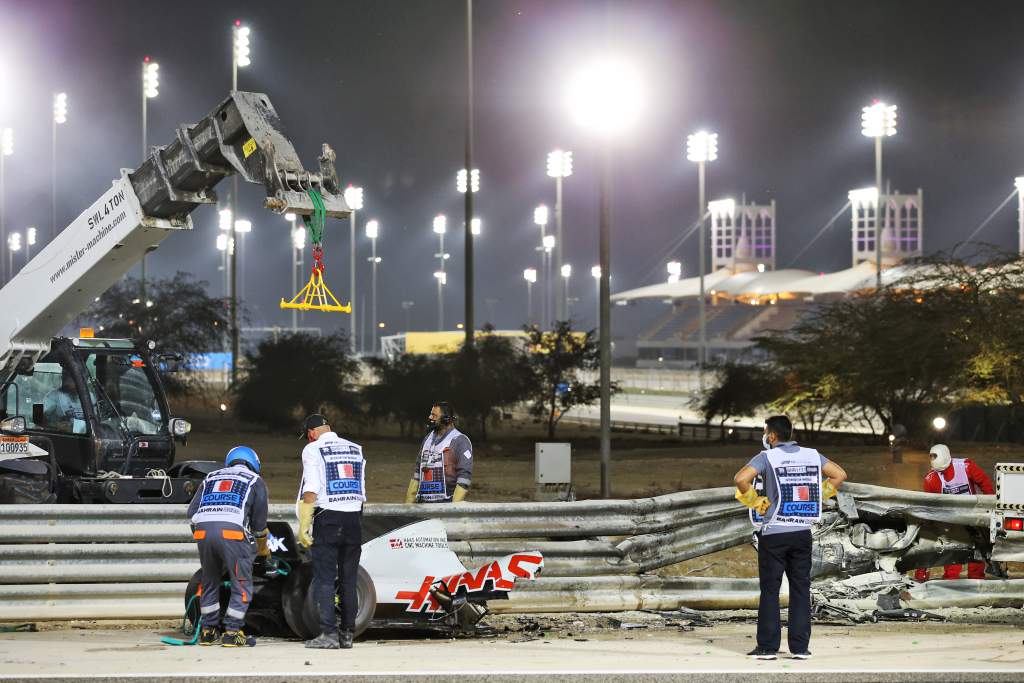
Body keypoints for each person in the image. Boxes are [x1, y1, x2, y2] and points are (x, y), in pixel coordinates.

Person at [733, 415, 847, 661]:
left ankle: (767, 647)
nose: (764, 436)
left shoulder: (767, 457)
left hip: (774, 533)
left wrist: (756, 502)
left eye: (765, 432)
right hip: (802, 533)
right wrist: (817, 496)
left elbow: (741, 479)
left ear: (772, 436)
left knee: (770, 590)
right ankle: (800, 648)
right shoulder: (812, 455)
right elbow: (839, 475)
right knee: (800, 589)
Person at [186, 446, 270, 647]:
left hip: (202, 532)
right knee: (241, 583)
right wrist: (262, 551)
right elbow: (259, 527)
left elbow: (191, 513)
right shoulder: (255, 480)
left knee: (210, 580)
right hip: (232, 534)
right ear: (254, 464)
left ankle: (208, 631)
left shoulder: (210, 477)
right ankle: (232, 632)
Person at [297, 414, 366, 650]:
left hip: (328, 518)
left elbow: (311, 488)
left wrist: (304, 524)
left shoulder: (312, 449)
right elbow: (361, 490)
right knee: (349, 579)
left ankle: (328, 634)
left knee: (325, 579)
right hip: (354, 519)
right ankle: (347, 635)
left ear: (311, 433)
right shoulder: (355, 448)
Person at [914, 444, 994, 582]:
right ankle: (950, 582)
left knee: (977, 551)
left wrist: (991, 505)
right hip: (950, 521)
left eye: (935, 456)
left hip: (972, 517)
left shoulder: (966, 466)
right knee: (953, 552)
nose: (932, 459)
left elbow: (984, 483)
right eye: (931, 457)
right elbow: (931, 505)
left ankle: (976, 582)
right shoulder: (931, 479)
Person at [404, 401, 472, 504]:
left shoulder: (460, 441)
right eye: (431, 414)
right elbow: (417, 472)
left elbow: (464, 477)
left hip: (446, 504)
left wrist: (454, 507)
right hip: (423, 504)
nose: (430, 417)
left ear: (446, 419)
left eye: (434, 415)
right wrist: (408, 503)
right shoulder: (427, 439)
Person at [42, 368, 86, 433]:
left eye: (71, 377)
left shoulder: (89, 397)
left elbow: (95, 420)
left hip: (87, 434)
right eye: (65, 376)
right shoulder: (52, 396)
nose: (67, 380)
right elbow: (41, 420)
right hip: (64, 435)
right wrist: (57, 425)